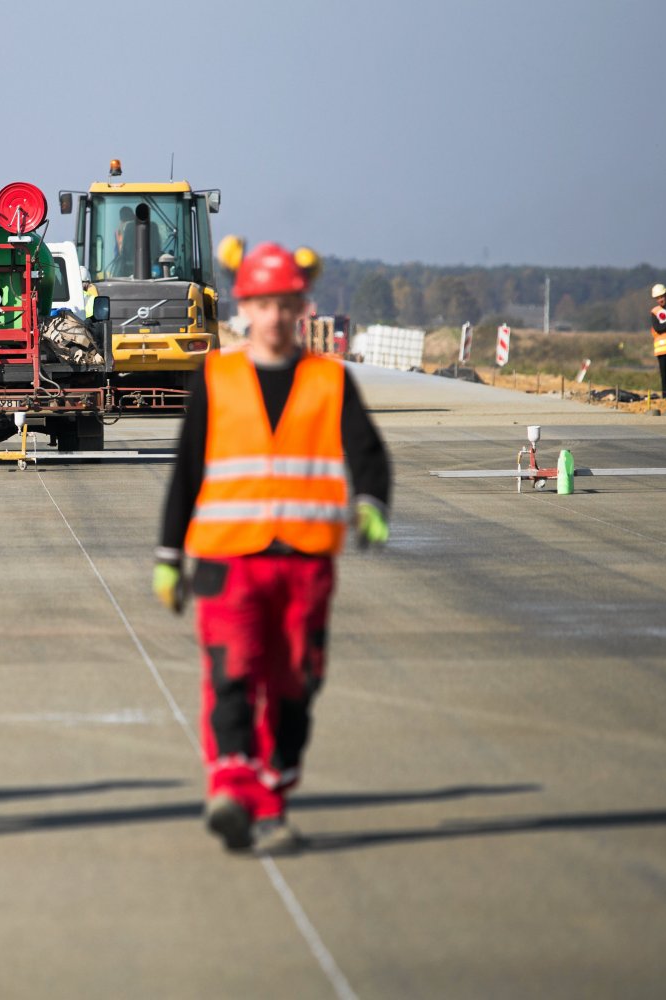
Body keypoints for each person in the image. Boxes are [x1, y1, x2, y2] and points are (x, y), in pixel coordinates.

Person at [152, 241, 391, 855]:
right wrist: (167, 555)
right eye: (263, 304)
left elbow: (367, 453)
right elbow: (187, 468)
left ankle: (273, 798)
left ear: (301, 307)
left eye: (286, 305)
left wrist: (371, 503)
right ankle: (231, 788)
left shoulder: (328, 379)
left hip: (304, 562)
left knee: (295, 684)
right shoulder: (217, 375)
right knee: (231, 673)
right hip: (225, 559)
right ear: (244, 307)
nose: (275, 317)